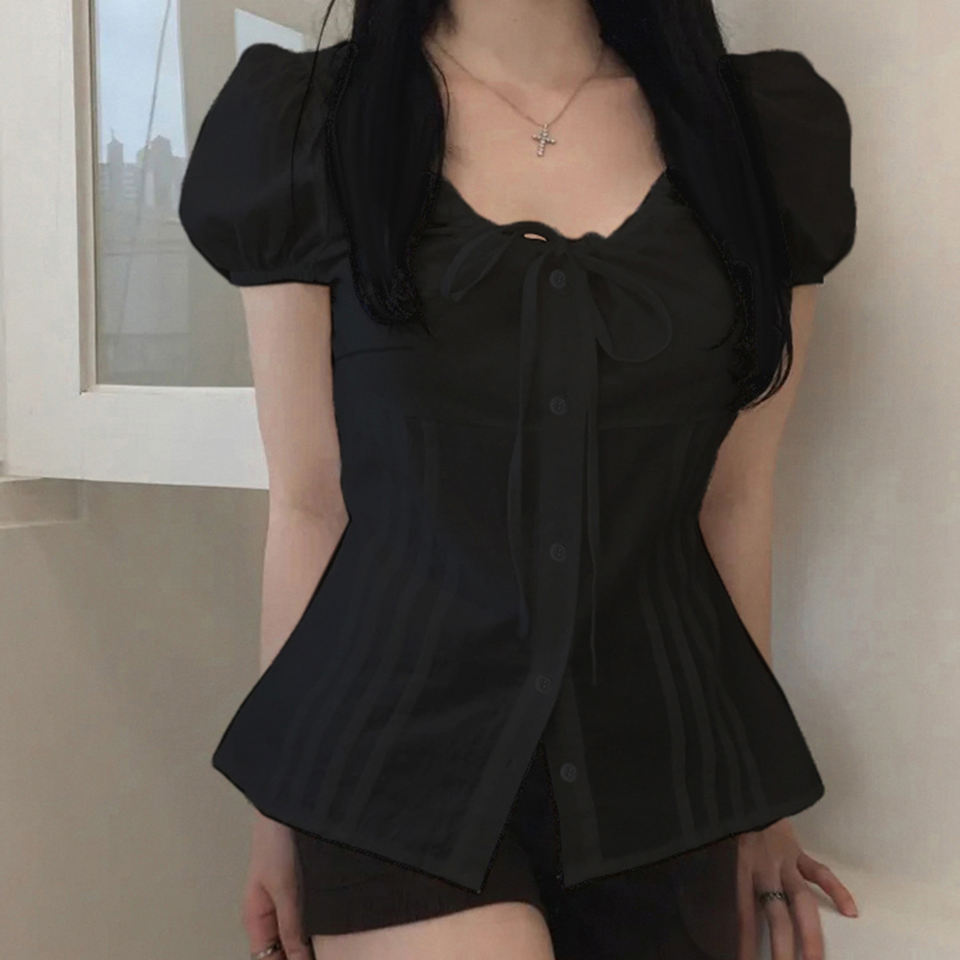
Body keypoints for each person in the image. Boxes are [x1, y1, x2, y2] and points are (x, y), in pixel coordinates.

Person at [178, 1, 861, 957]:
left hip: (664, 772)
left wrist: (752, 801)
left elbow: (732, 500)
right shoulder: (311, 128)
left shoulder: (756, 137)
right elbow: (310, 501)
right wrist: (280, 810)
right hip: (388, 760)